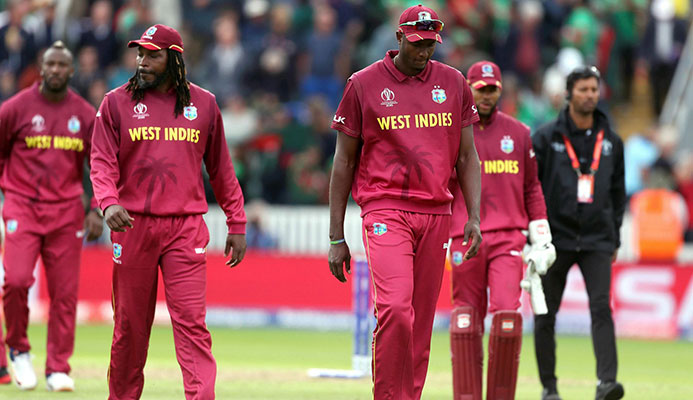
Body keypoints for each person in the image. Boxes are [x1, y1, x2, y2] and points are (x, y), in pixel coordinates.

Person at [328, 5, 482, 399]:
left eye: (431, 44)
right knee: (396, 310)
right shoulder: (363, 84)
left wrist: (475, 216)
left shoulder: (454, 83)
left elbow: (467, 157)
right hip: (385, 209)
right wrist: (335, 237)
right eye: (416, 43)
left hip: (437, 213)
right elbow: (344, 161)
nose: (424, 52)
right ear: (398, 38)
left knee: (421, 322)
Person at [89, 24, 247, 399]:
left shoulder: (204, 104)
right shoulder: (115, 102)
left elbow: (222, 169)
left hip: (185, 227)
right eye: (139, 54)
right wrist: (108, 202)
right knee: (130, 328)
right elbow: (101, 162)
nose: (142, 61)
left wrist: (236, 222)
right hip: (132, 227)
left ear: (174, 58)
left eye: (152, 54)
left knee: (192, 324)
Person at [0, 40, 104, 391]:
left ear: (72, 71)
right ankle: (18, 348)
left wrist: (96, 209)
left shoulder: (85, 114)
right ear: (41, 69)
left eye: (63, 65)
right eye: (51, 64)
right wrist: (8, 192)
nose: (56, 70)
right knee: (15, 281)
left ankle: (58, 367)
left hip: (66, 213)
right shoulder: (15, 109)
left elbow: (100, 167)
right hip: (23, 207)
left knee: (64, 294)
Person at [448, 61, 555, 400]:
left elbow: (532, 189)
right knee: (466, 318)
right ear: (468, 88)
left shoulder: (520, 134)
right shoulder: (451, 132)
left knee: (508, 316)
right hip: (464, 237)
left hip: (509, 236)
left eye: (492, 89)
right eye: (481, 88)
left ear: (500, 90)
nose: (487, 95)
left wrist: (542, 235)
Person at [532, 65, 626, 400]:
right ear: (569, 93)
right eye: (584, 89)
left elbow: (618, 193)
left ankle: (606, 384)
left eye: (594, 89)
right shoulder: (546, 137)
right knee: (546, 314)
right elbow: (532, 187)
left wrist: (614, 236)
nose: (590, 95)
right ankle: (549, 387)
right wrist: (536, 234)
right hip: (555, 240)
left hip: (598, 239)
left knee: (602, 308)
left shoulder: (612, 141)